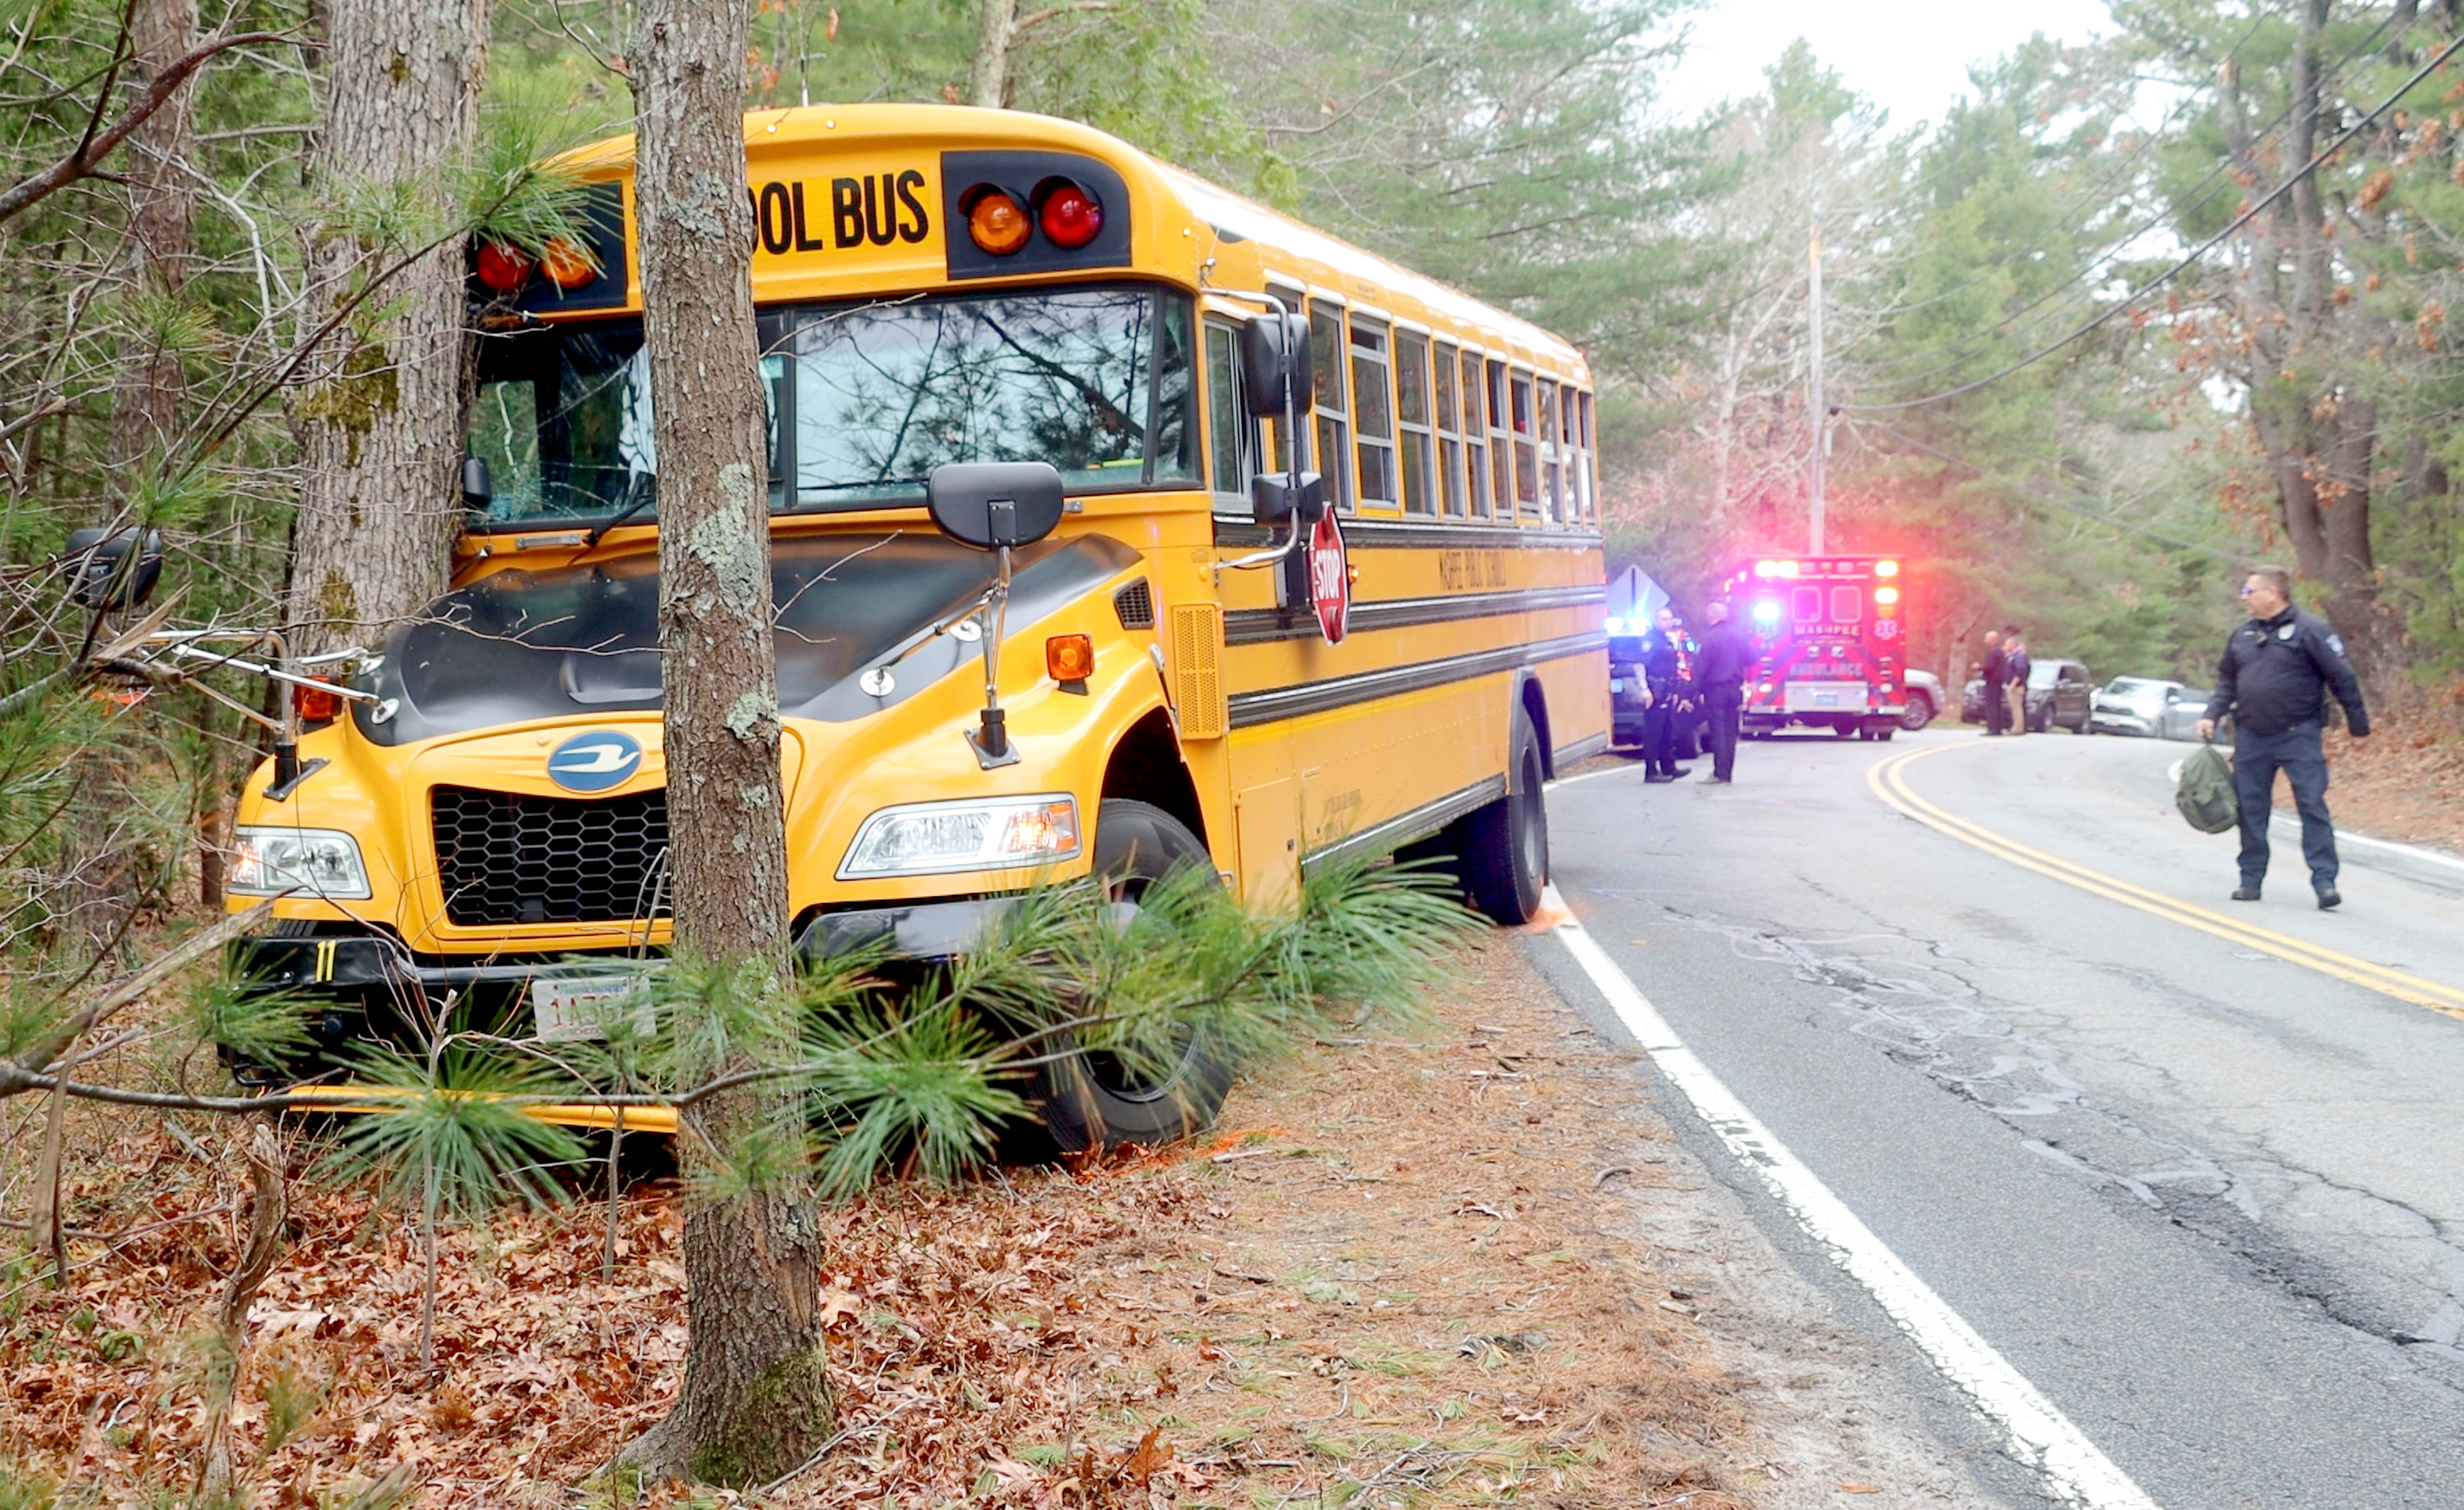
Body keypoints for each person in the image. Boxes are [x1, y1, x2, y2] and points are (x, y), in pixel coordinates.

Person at [2197, 565, 2371, 909]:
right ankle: (2250, 880)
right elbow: (2227, 681)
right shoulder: (2243, 635)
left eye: (2249, 591)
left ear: (2272, 594)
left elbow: (2343, 679)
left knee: (2311, 804)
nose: (2244, 598)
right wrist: (2211, 714)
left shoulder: (2311, 631)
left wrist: (2359, 727)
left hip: (2298, 735)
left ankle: (2325, 882)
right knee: (2250, 810)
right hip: (2251, 736)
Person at [1694, 598, 1750, 784]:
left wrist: (1695, 691)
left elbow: (1701, 667)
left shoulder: (1709, 638)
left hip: (1715, 691)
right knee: (1730, 733)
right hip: (1734, 690)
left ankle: (1719, 773)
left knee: (1718, 732)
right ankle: (1728, 773)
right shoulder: (1740, 636)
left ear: (1711, 616)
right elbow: (1752, 658)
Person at [1639, 605, 1689, 783]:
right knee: (1653, 733)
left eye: (1670, 619)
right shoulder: (1650, 640)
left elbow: (1674, 668)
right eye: (1664, 619)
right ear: (1656, 621)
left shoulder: (1669, 640)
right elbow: (1640, 665)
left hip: (1668, 690)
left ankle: (1669, 767)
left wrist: (1675, 691)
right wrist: (1645, 690)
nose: (1668, 623)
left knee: (1667, 731)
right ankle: (1651, 772)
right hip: (1655, 691)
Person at [2003, 629, 2032, 735]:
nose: (2005, 646)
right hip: (2013, 686)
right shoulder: (2012, 656)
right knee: (2014, 708)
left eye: (2007, 644)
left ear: (2013, 645)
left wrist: (2013, 685)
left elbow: (2021, 671)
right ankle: (2016, 727)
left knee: (2017, 708)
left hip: (2016, 687)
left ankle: (2018, 729)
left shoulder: (2019, 657)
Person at [1980, 630, 2009, 735]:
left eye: (1987, 638)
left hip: (1992, 682)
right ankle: (1998, 728)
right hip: (1999, 682)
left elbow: (1989, 667)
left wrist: (1980, 669)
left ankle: (1992, 728)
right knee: (1997, 705)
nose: (1985, 640)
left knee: (1991, 705)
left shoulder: (1992, 652)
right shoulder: (2001, 652)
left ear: (1993, 639)